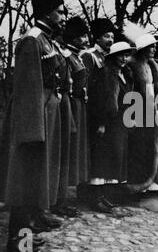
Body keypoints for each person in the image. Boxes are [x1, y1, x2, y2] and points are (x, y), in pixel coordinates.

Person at [0, 0, 67, 252]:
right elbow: (28, 88)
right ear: (45, 12)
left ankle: (26, 234)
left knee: (34, 182)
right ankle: (19, 241)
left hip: (44, 117)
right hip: (32, 121)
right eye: (60, 12)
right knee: (24, 183)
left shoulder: (48, 41)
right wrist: (32, 132)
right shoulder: (32, 41)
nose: (63, 17)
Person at [54, 16, 90, 217]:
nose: (85, 39)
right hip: (69, 106)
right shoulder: (67, 55)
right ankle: (57, 201)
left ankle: (62, 199)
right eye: (82, 36)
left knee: (72, 155)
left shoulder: (76, 55)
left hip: (78, 106)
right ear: (73, 37)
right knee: (65, 154)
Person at [81, 18, 116, 213]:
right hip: (94, 113)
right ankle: (92, 196)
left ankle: (100, 194)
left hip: (106, 113)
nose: (110, 40)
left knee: (103, 155)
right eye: (106, 36)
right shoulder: (90, 56)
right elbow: (89, 89)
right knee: (95, 155)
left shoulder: (108, 57)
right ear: (97, 37)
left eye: (111, 36)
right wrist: (98, 119)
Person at [97, 42, 135, 197]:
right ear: (113, 57)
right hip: (110, 120)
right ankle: (100, 194)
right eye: (121, 55)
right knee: (107, 155)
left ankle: (111, 192)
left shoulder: (125, 74)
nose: (124, 59)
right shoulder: (106, 73)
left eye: (127, 55)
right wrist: (101, 123)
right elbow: (102, 99)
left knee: (119, 155)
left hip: (122, 120)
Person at [126, 34, 158, 193]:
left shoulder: (151, 65)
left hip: (151, 110)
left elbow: (154, 89)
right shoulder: (132, 64)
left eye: (155, 47)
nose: (154, 49)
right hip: (137, 110)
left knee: (150, 147)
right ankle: (135, 185)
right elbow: (129, 90)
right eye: (151, 47)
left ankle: (148, 182)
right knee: (137, 148)